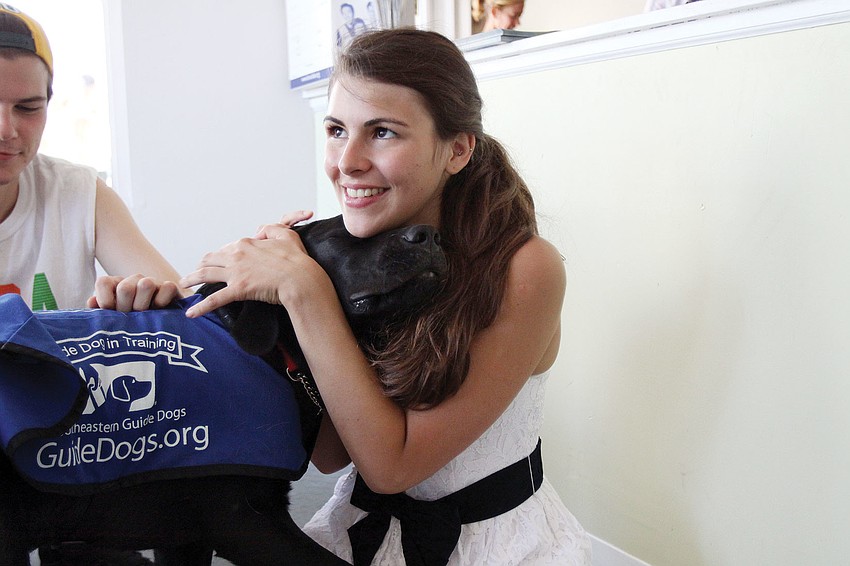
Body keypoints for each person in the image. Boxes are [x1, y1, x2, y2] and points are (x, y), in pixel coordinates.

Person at [114, 27, 587, 565]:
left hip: (490, 545)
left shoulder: (524, 268)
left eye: (382, 132)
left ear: (457, 150)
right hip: (366, 531)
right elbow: (331, 451)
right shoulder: (351, 253)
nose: (348, 161)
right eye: (337, 130)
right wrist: (175, 319)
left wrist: (305, 293)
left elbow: (392, 467)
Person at [0, 4, 182, 564]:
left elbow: (178, 301)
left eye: (28, 108)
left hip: (68, 445)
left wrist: (140, 296)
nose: (7, 130)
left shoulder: (77, 192)